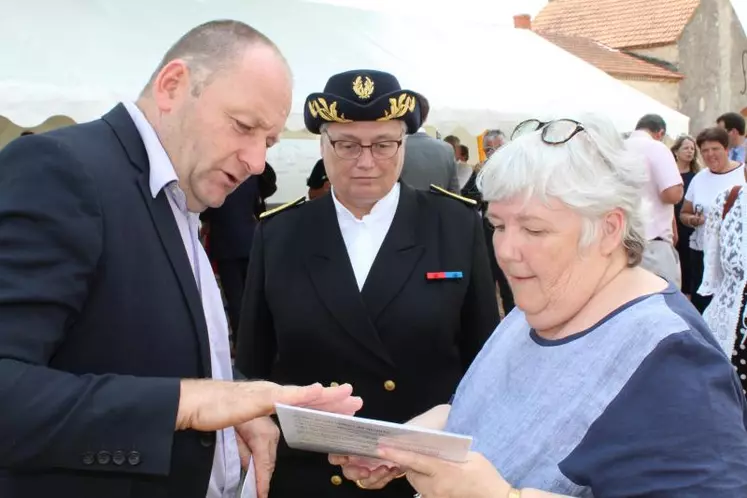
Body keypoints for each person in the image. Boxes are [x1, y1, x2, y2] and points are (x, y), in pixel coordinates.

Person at [0, 20, 362, 498]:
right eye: (244, 127)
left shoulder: (177, 193)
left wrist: (238, 404)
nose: (256, 161)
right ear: (173, 86)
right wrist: (192, 404)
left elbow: (146, 344)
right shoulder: (63, 170)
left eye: (269, 142)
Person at [332, 115, 747, 497]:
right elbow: (479, 409)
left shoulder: (674, 364)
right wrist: (406, 445)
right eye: (497, 225)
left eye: (533, 228)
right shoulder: (543, 304)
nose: (506, 251)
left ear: (608, 230)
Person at [235, 69, 499, 498]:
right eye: (347, 144)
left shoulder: (454, 225)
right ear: (322, 146)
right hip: (312, 478)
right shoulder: (280, 233)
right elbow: (253, 365)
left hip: (421, 476)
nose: (366, 161)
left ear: (403, 144)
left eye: (383, 144)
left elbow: (483, 365)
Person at [680, 127, 745, 313]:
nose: (710, 155)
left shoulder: (743, 174)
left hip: (733, 255)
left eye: (715, 149)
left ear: (726, 149)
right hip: (701, 252)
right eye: (705, 150)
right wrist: (692, 219)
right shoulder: (699, 179)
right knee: (702, 305)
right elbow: (684, 212)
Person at [625, 114, 683, 287]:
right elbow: (671, 194)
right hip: (652, 244)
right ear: (660, 132)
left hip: (621, 241)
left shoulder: (618, 149)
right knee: (662, 303)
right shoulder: (656, 148)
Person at [671, 135, 702, 297]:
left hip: (688, 227)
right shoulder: (668, 174)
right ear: (676, 152)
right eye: (686, 148)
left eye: (692, 148)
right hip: (669, 224)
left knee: (687, 266)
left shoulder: (697, 177)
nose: (690, 151)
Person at [400, 118, 460, 192]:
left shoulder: (395, 147)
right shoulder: (447, 149)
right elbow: (455, 193)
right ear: (425, 119)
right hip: (440, 203)